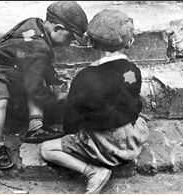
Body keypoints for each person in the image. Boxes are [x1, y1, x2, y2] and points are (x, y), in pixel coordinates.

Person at [41, 9, 150, 194]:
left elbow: (71, 120)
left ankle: (93, 172)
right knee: (140, 120)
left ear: (90, 43)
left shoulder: (84, 78)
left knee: (46, 149)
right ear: (130, 42)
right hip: (130, 142)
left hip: (103, 147)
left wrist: (73, 136)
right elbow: (132, 98)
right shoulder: (132, 71)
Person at [0, 1, 88, 170]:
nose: (70, 43)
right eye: (70, 37)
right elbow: (36, 86)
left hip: (12, 69)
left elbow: (40, 65)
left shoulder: (35, 25)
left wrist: (55, 80)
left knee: (36, 77)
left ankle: (35, 128)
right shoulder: (38, 46)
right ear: (57, 28)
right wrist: (57, 98)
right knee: (0, 101)